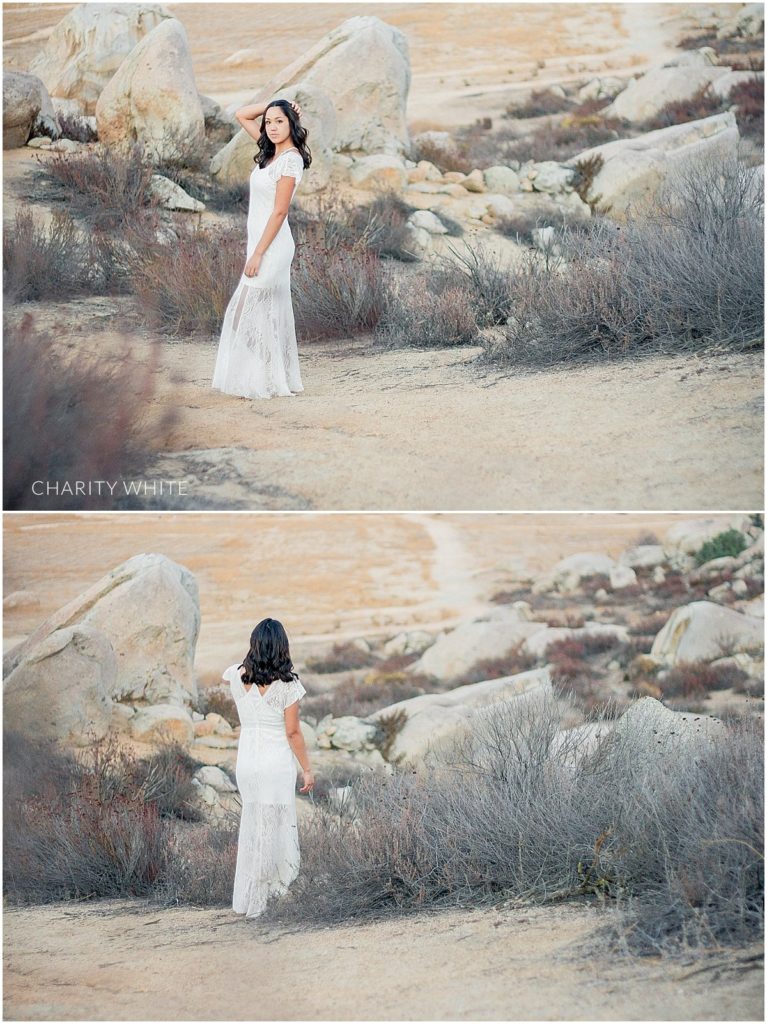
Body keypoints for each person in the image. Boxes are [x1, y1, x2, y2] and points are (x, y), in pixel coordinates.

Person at [211, 98, 311, 400]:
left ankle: (266, 375)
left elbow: (279, 213)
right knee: (263, 314)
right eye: (268, 122)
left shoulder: (290, 160)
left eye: (280, 121)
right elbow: (241, 114)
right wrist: (272, 104)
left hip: (273, 247)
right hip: (259, 244)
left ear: (292, 124)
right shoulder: (270, 153)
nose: (272, 127)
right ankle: (271, 376)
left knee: (243, 310)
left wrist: (258, 254)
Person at [222, 617, 314, 918]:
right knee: (273, 831)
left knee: (253, 827)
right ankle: (265, 900)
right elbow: (292, 733)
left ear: (254, 644)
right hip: (275, 765)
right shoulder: (289, 685)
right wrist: (308, 769)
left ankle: (248, 900)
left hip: (247, 763)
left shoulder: (237, 677)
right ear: (282, 648)